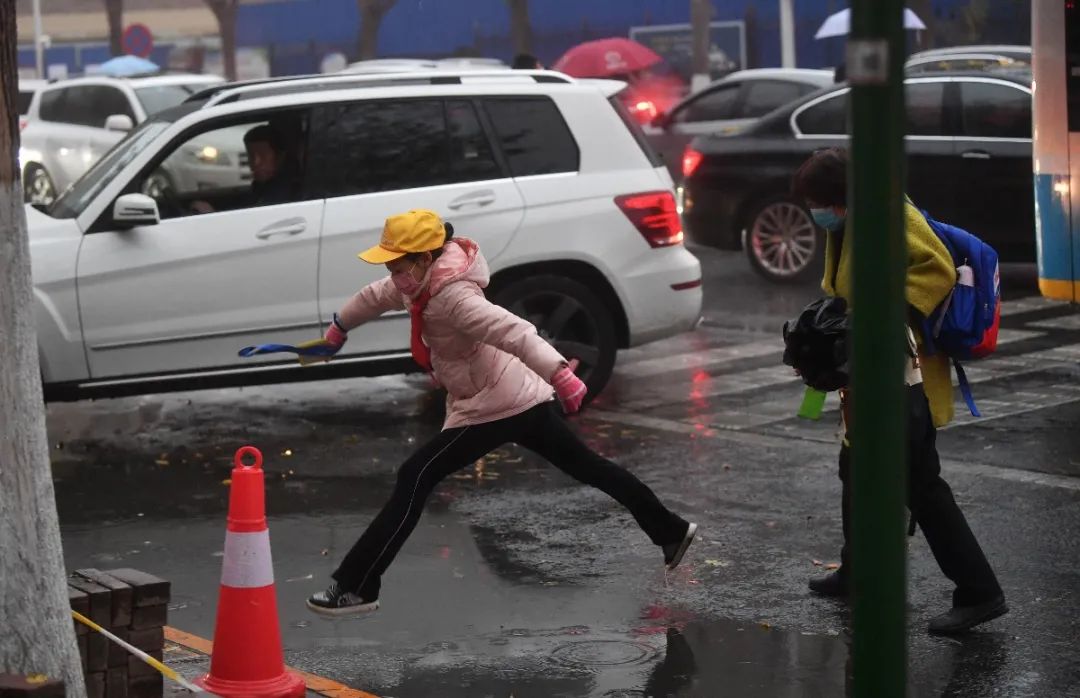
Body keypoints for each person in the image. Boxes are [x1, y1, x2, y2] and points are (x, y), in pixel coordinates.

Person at [305, 209, 698, 616]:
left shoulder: (454, 297)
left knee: (415, 475)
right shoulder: (417, 285)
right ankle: (670, 529)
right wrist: (338, 330)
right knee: (589, 466)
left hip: (493, 406)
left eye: (397, 264)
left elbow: (515, 331)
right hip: (515, 396)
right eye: (389, 264)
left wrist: (561, 374)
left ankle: (357, 585)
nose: (393, 273)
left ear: (424, 258)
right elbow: (374, 295)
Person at [791, 147, 1007, 635]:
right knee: (854, 469)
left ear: (841, 196)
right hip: (870, 376)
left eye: (820, 201)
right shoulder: (850, 223)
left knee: (921, 485)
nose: (816, 212)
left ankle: (979, 592)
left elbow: (937, 270)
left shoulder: (891, 216)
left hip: (904, 377)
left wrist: (883, 313)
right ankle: (858, 569)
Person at [190, 124, 295, 214]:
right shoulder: (263, 186)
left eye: (263, 155)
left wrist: (212, 215)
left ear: (280, 156)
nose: (255, 162)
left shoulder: (283, 192)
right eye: (251, 155)